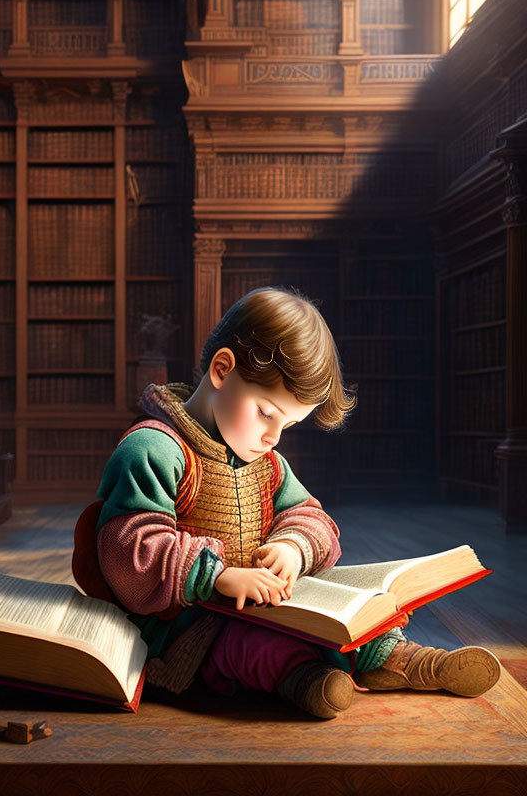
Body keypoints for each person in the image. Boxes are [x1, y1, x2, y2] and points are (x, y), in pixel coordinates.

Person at [72, 286, 501, 719]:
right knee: (251, 647)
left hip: (266, 606)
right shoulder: (153, 448)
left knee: (355, 622)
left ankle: (408, 663)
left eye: (289, 424)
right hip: (188, 623)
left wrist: (293, 547)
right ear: (223, 370)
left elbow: (309, 515)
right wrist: (219, 578)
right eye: (265, 412)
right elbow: (129, 549)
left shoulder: (267, 462)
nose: (273, 437)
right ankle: (304, 679)